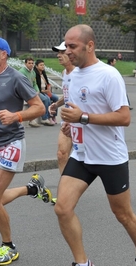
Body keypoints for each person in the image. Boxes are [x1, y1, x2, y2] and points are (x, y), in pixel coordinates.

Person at [54, 25, 136, 266]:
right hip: (82, 155)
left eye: (72, 46)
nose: (67, 52)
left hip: (110, 157)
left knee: (123, 214)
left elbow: (124, 117)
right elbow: (78, 111)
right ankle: (83, 263)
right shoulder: (72, 76)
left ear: (90, 46)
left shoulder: (109, 75)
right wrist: (72, 125)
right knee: (62, 209)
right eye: (65, 46)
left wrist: (83, 118)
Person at [0, 36, 51, 265]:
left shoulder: (16, 78)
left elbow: (39, 106)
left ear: (3, 54)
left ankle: (8, 246)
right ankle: (31, 188)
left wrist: (17, 116)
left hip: (11, 143)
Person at [48, 41, 75, 175]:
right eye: (58, 52)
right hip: (67, 120)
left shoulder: (79, 73)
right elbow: (67, 95)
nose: (59, 55)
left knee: (91, 159)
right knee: (62, 154)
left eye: (62, 52)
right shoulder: (65, 72)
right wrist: (56, 104)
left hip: (82, 121)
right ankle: (66, 188)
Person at [18, 57, 54, 126]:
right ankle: (34, 120)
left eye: (32, 63)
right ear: (25, 64)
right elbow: (23, 85)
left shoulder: (33, 72)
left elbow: (34, 83)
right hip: (25, 92)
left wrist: (37, 91)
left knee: (46, 98)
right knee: (41, 99)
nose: (31, 65)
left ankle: (44, 118)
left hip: (32, 92)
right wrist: (33, 92)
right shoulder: (22, 72)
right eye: (29, 63)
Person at [34, 59, 59, 124]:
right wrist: (45, 91)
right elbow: (37, 87)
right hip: (40, 91)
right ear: (36, 66)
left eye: (43, 65)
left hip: (46, 91)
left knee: (56, 98)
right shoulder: (35, 74)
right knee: (46, 99)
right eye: (41, 65)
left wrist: (48, 90)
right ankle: (46, 118)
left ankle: (53, 115)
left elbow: (47, 83)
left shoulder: (43, 74)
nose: (43, 66)